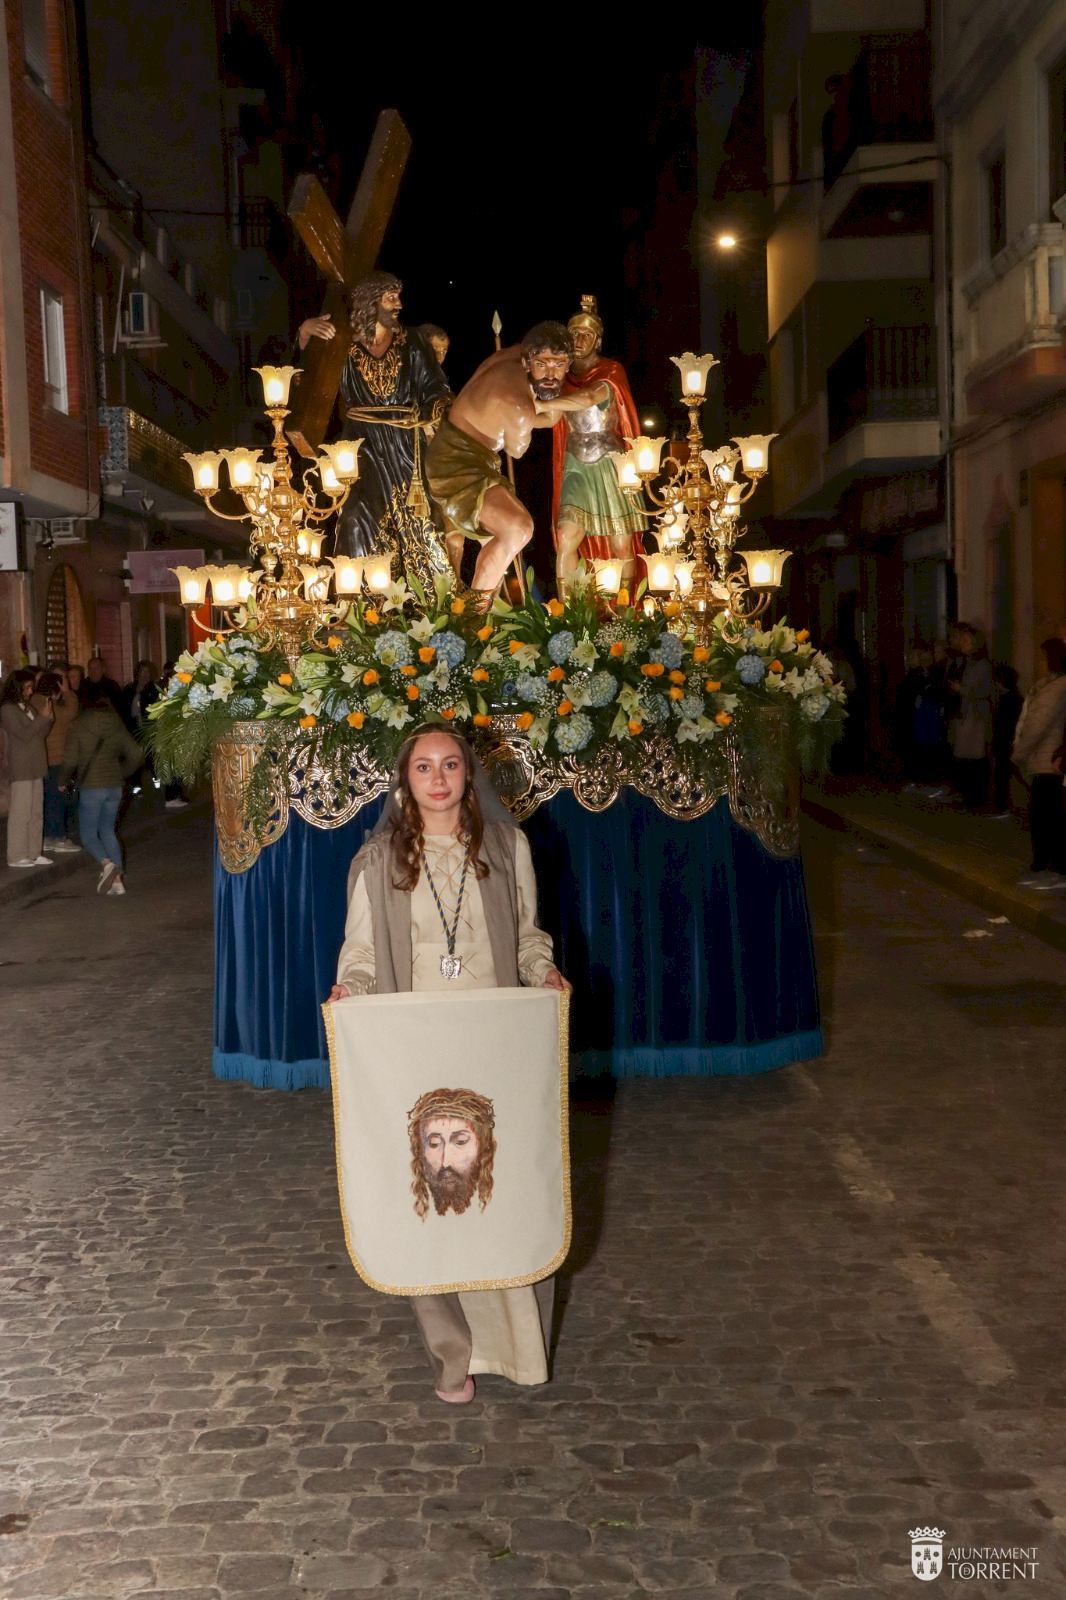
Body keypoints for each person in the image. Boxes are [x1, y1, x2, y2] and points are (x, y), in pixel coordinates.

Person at [329, 726, 571, 1403]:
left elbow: (528, 936)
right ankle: (452, 1353)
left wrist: (544, 972)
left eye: (451, 765)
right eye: (424, 767)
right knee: (431, 1195)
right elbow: (362, 954)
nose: (438, 779)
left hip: (495, 1039)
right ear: (404, 779)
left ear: (469, 774)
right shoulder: (377, 860)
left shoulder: (508, 847)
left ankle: (517, 1347)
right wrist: (352, 990)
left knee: (505, 1190)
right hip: (416, 1045)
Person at [426, 322, 609, 610]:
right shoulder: (519, 405)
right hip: (458, 465)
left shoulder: (508, 356)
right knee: (517, 528)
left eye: (559, 365)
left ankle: (482, 608)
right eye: (542, 365)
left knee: (501, 534)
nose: (551, 375)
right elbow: (517, 449)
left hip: (461, 450)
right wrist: (550, 404)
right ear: (527, 360)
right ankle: (472, 616)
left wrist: (540, 405)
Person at [297, 272, 452, 590]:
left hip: (405, 445)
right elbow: (304, 380)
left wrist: (437, 410)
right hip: (361, 445)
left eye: (398, 297)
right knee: (354, 516)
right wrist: (304, 334)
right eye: (390, 298)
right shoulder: (341, 344)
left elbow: (435, 387)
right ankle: (358, 599)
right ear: (370, 302)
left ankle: (430, 598)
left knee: (420, 523)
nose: (399, 305)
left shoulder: (412, 342)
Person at [551, 296, 645, 593]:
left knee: (621, 543)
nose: (579, 340)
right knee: (566, 537)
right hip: (575, 465)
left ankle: (626, 609)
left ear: (598, 340)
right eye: (574, 333)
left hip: (610, 463)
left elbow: (589, 397)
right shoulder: (560, 378)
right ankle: (566, 610)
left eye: (586, 334)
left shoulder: (611, 371)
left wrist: (542, 403)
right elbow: (547, 418)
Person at [59, 683, 145, 896]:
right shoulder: (115, 723)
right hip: (114, 787)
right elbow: (136, 754)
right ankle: (117, 882)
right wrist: (122, 772)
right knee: (107, 831)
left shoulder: (77, 725)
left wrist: (63, 780)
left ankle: (107, 865)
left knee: (88, 835)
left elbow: (70, 760)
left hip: (91, 787)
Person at [1012, 638, 1066, 889]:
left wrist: (1018, 754)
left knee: (1047, 817)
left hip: (1049, 760)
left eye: (1043, 657)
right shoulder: (1048, 685)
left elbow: (1038, 724)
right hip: (1047, 758)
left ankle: (1052, 868)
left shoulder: (1057, 688)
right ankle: (1045, 865)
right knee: (1044, 816)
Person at [1, 668, 53, 868]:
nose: (31, 691)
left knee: (36, 812)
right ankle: (16, 855)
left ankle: (34, 852)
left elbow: (39, 733)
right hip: (21, 766)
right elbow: (23, 734)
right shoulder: (7, 709)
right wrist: (42, 718)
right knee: (21, 812)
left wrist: (47, 718)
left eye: (32, 687)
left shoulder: (27, 707)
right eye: (28, 687)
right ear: (17, 687)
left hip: (36, 764)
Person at [946, 623, 993, 809]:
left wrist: (961, 689)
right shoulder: (966, 662)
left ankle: (976, 797)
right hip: (966, 714)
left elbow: (982, 691)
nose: (962, 644)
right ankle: (967, 793)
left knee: (975, 758)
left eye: (966, 641)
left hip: (976, 716)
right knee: (965, 756)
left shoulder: (982, 665)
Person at [35, 667, 81, 852]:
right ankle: (58, 838)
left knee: (50, 799)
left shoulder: (36, 701)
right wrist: (68, 692)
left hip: (46, 758)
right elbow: (70, 712)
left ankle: (48, 836)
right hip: (55, 758)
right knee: (57, 799)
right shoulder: (47, 703)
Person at [120, 660, 160, 794]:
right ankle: (137, 785)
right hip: (133, 728)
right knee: (135, 756)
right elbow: (124, 708)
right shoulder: (129, 689)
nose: (144, 675)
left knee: (150, 756)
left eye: (147, 672)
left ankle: (156, 779)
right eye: (142, 672)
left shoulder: (154, 690)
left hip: (148, 728)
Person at [990, 663, 1023, 818]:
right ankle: (1002, 805)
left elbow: (1009, 724)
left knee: (1003, 775)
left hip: (1006, 742)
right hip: (1002, 742)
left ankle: (1004, 806)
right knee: (1001, 775)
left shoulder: (1011, 699)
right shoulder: (1007, 698)